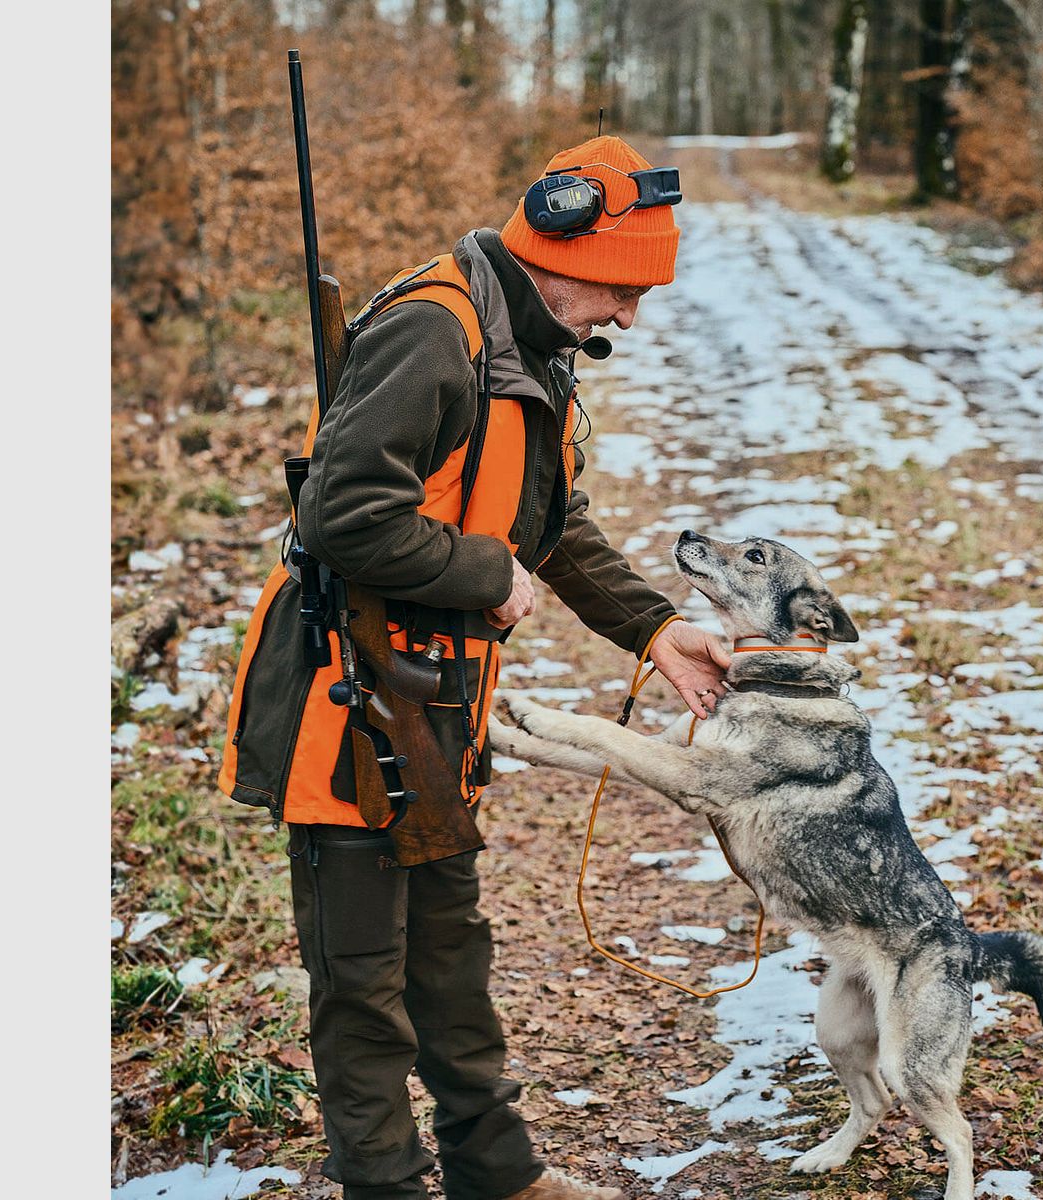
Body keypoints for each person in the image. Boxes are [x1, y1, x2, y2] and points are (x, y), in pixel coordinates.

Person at [217, 135, 730, 1200]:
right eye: (625, 288)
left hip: (434, 702)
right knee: (364, 985)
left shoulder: (527, 337)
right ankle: (388, 1185)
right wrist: (484, 572)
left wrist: (653, 628)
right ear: (561, 251)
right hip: (345, 701)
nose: (631, 316)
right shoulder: (435, 332)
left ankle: (498, 1176)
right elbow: (344, 516)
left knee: (450, 956)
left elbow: (548, 515)